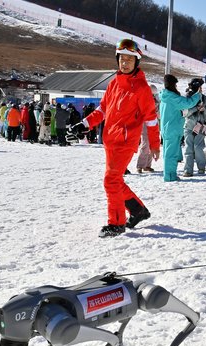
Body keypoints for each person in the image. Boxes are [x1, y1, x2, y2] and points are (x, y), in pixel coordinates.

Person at [75, 39, 161, 238]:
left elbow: (151, 120)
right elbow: (102, 109)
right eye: (122, 59)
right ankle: (138, 210)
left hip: (126, 141)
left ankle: (116, 223)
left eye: (130, 59)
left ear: (137, 62)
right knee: (114, 180)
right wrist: (85, 124)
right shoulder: (114, 83)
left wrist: (155, 145)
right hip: (110, 140)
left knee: (111, 180)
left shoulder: (141, 88)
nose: (125, 63)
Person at [159, 74, 201, 182]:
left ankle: (170, 174)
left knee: (170, 153)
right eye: (175, 84)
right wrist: (198, 94)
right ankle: (169, 176)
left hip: (167, 128)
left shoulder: (165, 96)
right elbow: (188, 103)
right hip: (172, 129)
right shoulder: (172, 98)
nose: (176, 87)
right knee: (171, 155)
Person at [182, 78, 206, 177]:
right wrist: (195, 108)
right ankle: (188, 170)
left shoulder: (204, 98)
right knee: (188, 149)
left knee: (198, 148)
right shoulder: (187, 98)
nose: (199, 89)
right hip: (189, 126)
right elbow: (185, 112)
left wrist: (203, 110)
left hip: (201, 126)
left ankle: (201, 167)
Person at [136, 85, 160, 173]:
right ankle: (140, 165)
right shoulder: (143, 100)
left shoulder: (156, 101)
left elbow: (158, 112)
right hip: (145, 124)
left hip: (153, 123)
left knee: (151, 145)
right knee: (145, 144)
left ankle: (147, 165)